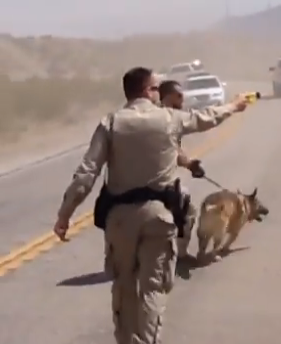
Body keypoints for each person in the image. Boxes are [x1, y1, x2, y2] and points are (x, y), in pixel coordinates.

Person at [52, 66, 248, 344]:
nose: (160, 92)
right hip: (158, 217)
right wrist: (234, 105)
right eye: (157, 87)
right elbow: (207, 117)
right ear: (146, 91)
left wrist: (65, 215)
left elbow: (86, 174)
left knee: (124, 288)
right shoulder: (169, 119)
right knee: (153, 289)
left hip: (119, 220)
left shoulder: (110, 123)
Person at [158, 79, 204, 260]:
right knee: (189, 210)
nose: (182, 102)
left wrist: (191, 165)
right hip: (159, 183)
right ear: (168, 97)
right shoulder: (168, 118)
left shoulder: (146, 115)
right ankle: (182, 254)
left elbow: (174, 151)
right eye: (179, 97)